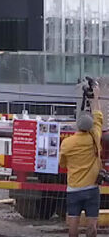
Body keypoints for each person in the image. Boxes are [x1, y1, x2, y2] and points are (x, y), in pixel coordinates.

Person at [59, 82, 103, 237]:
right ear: (90, 127)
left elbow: (62, 163)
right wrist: (96, 98)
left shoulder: (67, 143)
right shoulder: (95, 137)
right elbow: (98, 117)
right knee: (92, 226)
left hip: (74, 189)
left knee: (73, 225)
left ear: (77, 126)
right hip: (92, 189)